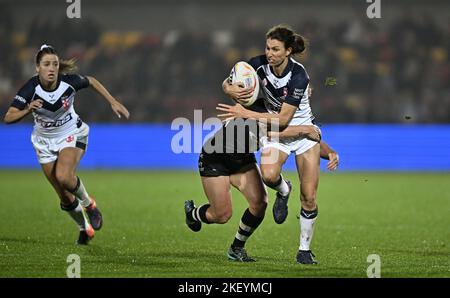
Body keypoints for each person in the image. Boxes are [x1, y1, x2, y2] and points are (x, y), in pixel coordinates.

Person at [218, 24, 326, 264]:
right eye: (268, 48)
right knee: (268, 175)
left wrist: (245, 113)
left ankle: (304, 250)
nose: (270, 53)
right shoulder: (256, 64)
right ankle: (284, 189)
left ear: (288, 51)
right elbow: (227, 82)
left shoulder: (299, 76)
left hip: (300, 132)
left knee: (309, 196)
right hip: (276, 132)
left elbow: (285, 119)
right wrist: (232, 91)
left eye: (276, 49)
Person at [3, 44, 130, 245]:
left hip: (72, 133)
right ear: (37, 68)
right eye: (46, 64)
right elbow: (8, 117)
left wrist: (112, 101)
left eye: (54, 63)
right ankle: (84, 229)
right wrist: (27, 110)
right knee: (63, 195)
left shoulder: (69, 82)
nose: (51, 68)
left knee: (64, 176)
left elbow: (92, 81)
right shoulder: (30, 88)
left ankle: (90, 205)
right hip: (44, 142)